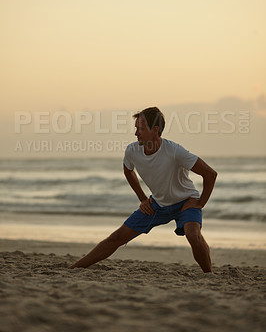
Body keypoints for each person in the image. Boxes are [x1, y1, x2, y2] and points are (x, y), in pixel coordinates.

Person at [69, 107, 217, 273]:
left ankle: (208, 275)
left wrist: (200, 203)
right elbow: (128, 170)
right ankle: (74, 269)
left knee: (193, 235)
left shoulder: (175, 152)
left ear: (155, 130)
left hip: (185, 202)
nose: (136, 133)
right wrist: (142, 198)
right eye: (136, 128)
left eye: (141, 129)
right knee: (116, 238)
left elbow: (210, 174)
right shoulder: (133, 151)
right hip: (157, 205)